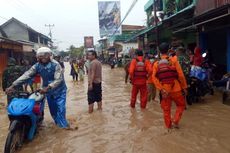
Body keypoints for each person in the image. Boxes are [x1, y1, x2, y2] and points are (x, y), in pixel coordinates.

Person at [6, 47, 69, 128]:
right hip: (48, 91)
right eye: (40, 55)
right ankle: (58, 124)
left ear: (50, 56)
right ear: (37, 57)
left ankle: (64, 127)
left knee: (61, 109)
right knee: (53, 111)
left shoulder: (56, 65)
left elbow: (59, 79)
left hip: (60, 90)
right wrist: (13, 85)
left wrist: (48, 87)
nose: (43, 57)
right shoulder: (37, 66)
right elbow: (26, 75)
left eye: (45, 55)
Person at [152, 43, 187, 131]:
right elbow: (181, 75)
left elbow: (154, 78)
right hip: (176, 89)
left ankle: (168, 127)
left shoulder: (156, 63)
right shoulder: (174, 60)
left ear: (159, 51)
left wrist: (161, 89)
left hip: (165, 91)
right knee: (181, 105)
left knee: (166, 110)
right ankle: (175, 120)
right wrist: (184, 87)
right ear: (169, 50)